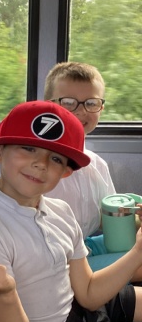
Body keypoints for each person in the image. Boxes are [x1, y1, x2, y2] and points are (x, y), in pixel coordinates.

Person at [0, 100, 142, 322]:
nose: (40, 163)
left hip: (80, 309)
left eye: (55, 158)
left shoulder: (60, 211)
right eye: (28, 148)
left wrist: (138, 251)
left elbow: (88, 292)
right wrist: (5, 294)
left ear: (65, 172)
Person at [44, 61, 115, 240]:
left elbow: (105, 219)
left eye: (91, 103)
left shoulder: (98, 165)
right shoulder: (38, 166)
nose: (81, 111)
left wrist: (132, 217)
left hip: (85, 245)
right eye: (68, 102)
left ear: (101, 108)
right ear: (48, 106)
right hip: (50, 252)